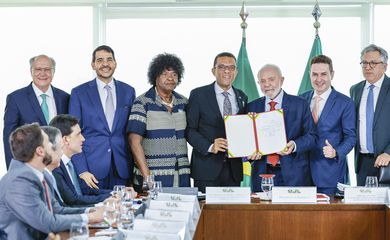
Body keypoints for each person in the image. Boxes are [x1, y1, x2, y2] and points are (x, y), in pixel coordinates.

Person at [0, 123, 103, 240]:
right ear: (40, 151)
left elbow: (56, 210)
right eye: (48, 143)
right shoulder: (18, 181)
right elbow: (47, 223)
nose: (57, 147)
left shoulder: (39, 174)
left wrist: (92, 211)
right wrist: (90, 218)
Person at [69, 45, 136, 190]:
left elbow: (131, 132)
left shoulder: (128, 91)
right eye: (100, 60)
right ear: (93, 65)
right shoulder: (79, 93)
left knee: (123, 209)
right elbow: (72, 134)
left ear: (115, 63)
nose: (105, 64)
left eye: (109, 60)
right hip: (91, 169)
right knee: (95, 210)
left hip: (122, 167)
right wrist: (81, 170)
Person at [247, 64, 316, 192]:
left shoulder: (300, 104)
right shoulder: (251, 107)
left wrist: (294, 145)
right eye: (262, 81)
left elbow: (312, 136)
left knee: (293, 212)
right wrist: (249, 153)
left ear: (282, 80)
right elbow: (246, 139)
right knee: (262, 212)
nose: (267, 84)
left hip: (294, 173)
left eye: (271, 79)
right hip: (262, 173)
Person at [186, 52, 248, 193]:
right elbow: (189, 130)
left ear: (236, 72)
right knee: (206, 213)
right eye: (221, 67)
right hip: (206, 169)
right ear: (213, 70)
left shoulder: (242, 97)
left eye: (231, 67)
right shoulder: (198, 95)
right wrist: (210, 146)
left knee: (232, 213)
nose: (227, 71)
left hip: (234, 171)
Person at [128, 53, 190, 190]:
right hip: (153, 178)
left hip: (181, 175)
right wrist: (147, 176)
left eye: (174, 74)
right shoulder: (142, 102)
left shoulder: (184, 102)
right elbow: (134, 141)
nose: (170, 78)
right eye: (164, 74)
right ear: (155, 77)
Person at [300, 55, 356, 194]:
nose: (319, 79)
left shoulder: (345, 102)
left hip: (330, 173)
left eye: (324, 74)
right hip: (301, 173)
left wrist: (336, 152)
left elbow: (351, 137)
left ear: (332, 74)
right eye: (314, 74)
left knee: (328, 216)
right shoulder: (300, 99)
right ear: (310, 75)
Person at [3, 54, 69, 169]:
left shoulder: (64, 98)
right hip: (30, 166)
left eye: (47, 69)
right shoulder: (16, 98)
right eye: (38, 69)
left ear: (53, 72)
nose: (43, 73)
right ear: (31, 71)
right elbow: (9, 138)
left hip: (60, 166)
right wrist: (13, 170)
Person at [350, 44, 390, 186]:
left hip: (387, 161)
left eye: (373, 63)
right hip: (362, 163)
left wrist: (388, 153)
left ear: (385, 66)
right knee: (363, 207)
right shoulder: (355, 90)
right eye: (364, 63)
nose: (367, 67)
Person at [50, 114, 111, 206]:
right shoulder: (55, 167)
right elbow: (72, 200)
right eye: (78, 134)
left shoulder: (70, 163)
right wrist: (109, 199)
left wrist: (115, 193)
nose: (83, 139)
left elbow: (85, 190)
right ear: (66, 140)